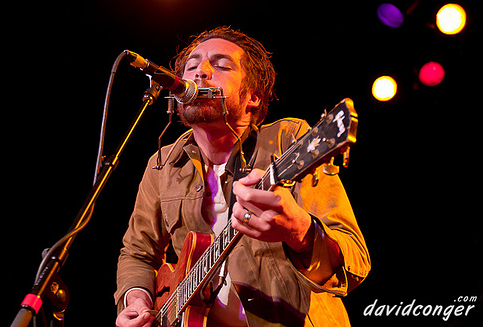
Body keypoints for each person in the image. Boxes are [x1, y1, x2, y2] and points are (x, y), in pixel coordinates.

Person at [115, 26, 371, 327]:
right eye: (192, 66)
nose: (200, 73)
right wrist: (138, 300)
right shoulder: (161, 164)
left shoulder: (288, 139)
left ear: (252, 97)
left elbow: (355, 260)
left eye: (221, 65)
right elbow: (137, 252)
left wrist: (299, 232)